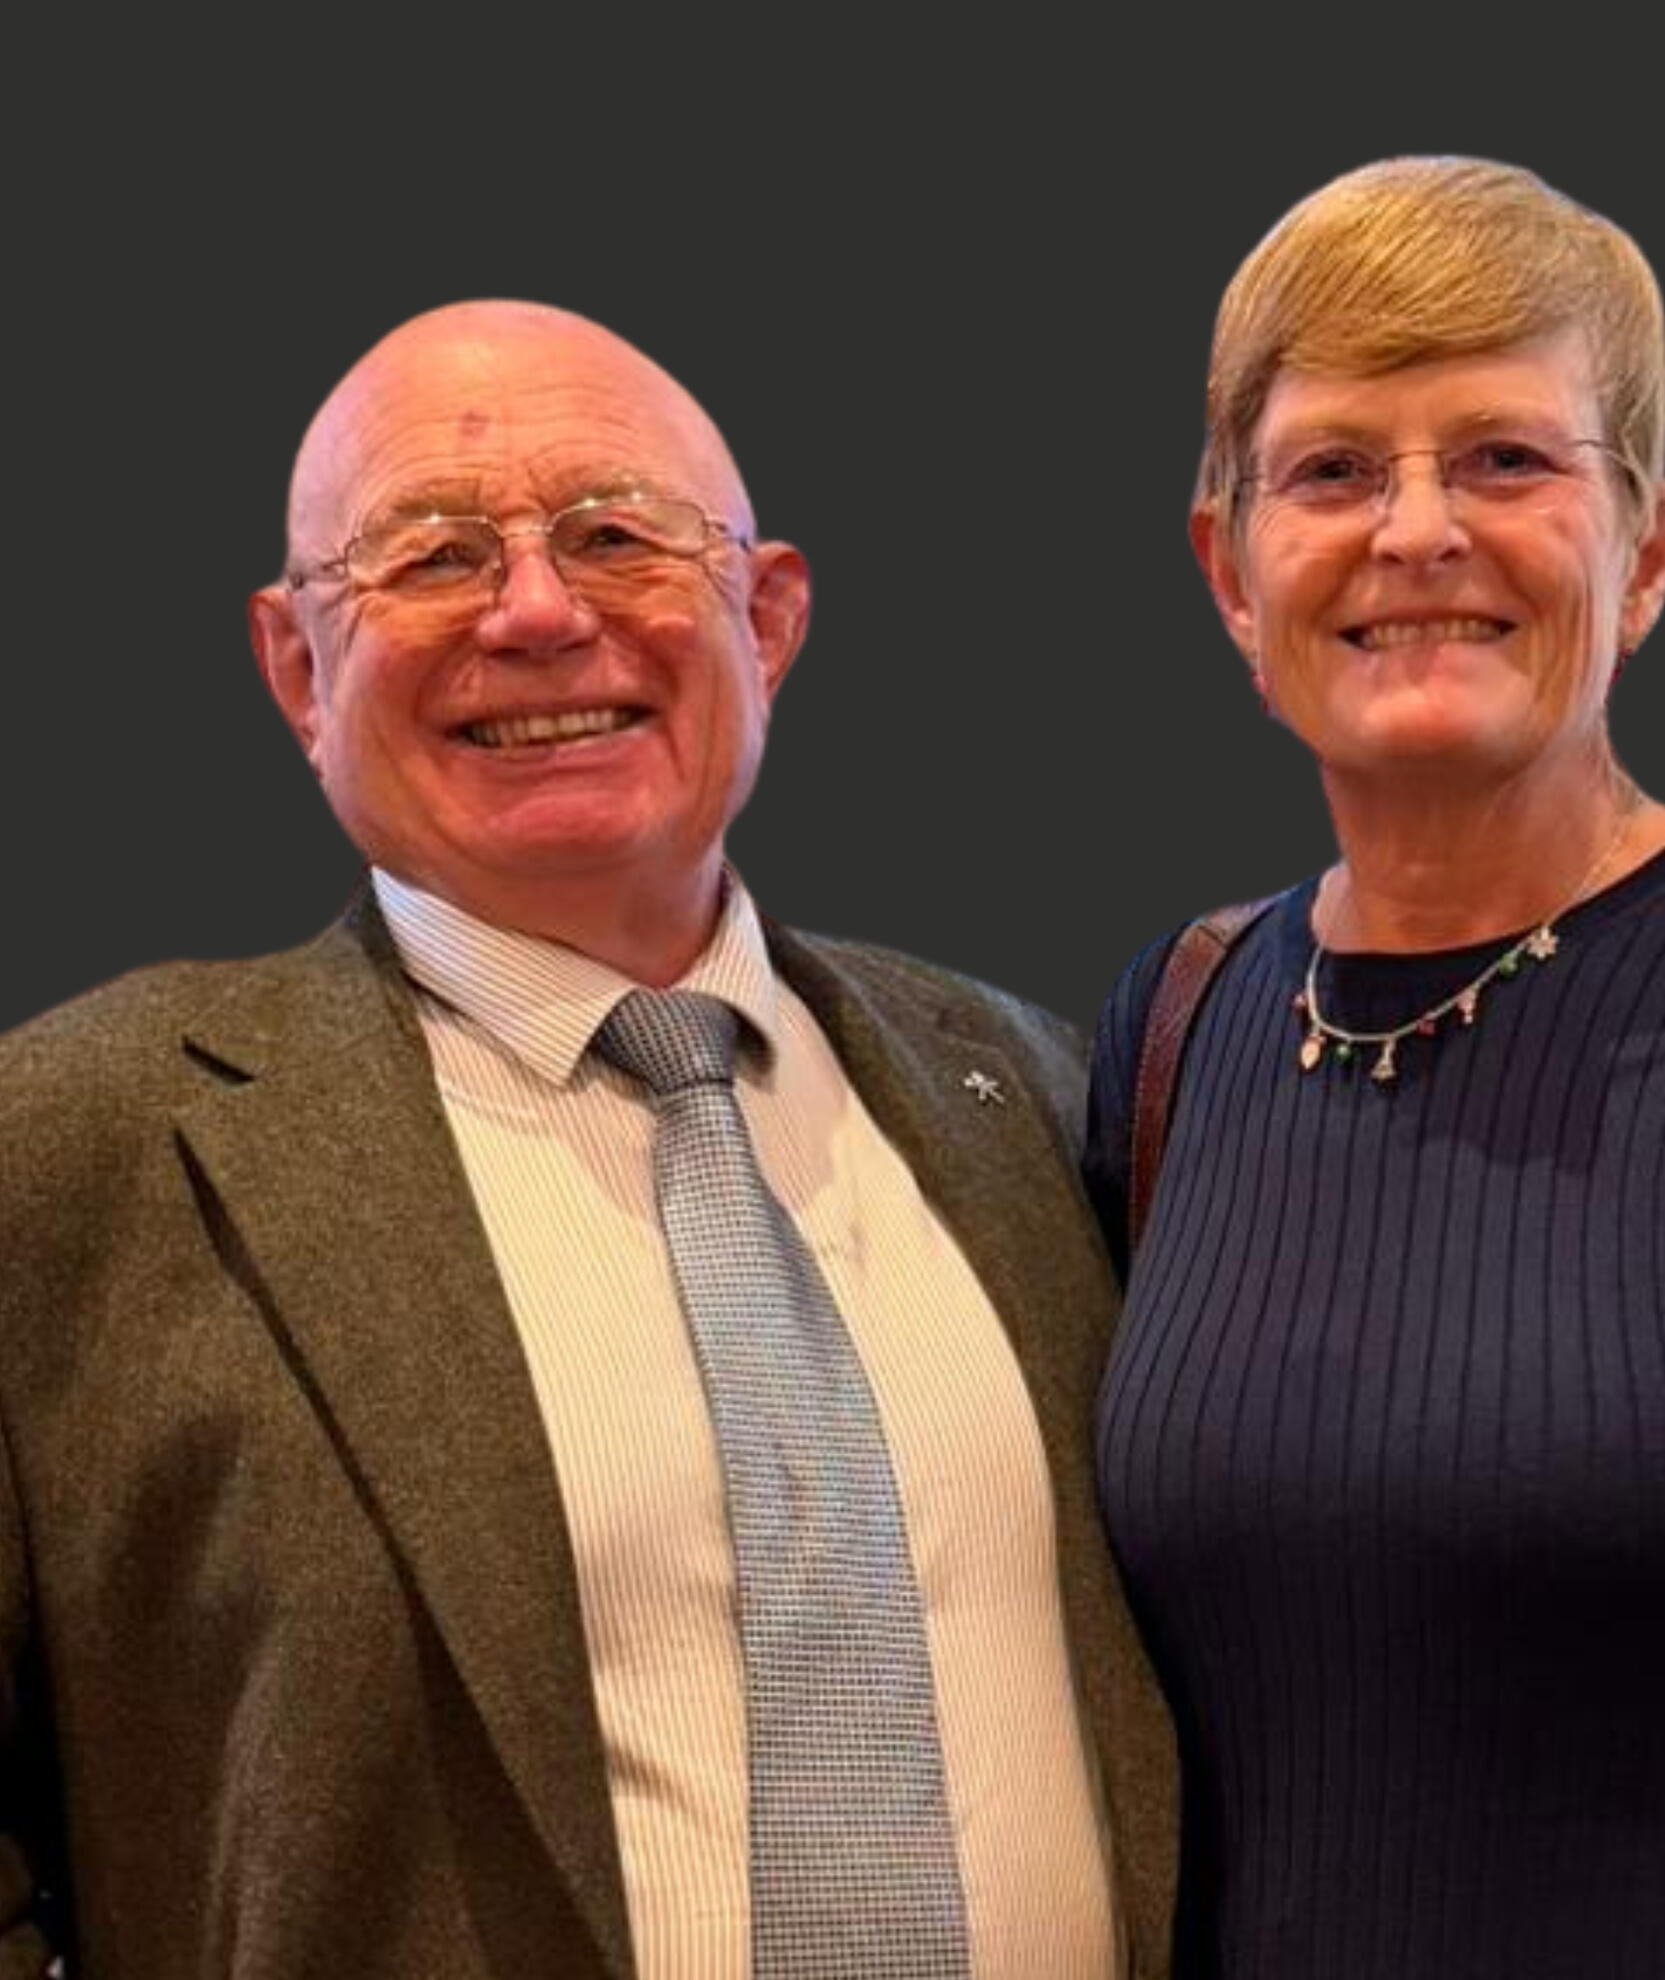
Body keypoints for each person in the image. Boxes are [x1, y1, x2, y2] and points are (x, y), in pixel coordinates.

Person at [0, 300, 1177, 1979]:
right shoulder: (68, 1155)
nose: (540, 613)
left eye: (618, 536)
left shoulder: (1049, 1099)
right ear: (297, 667)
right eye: (433, 556)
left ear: (767, 619)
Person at [1084, 156, 1665, 1978]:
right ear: (1232, 572)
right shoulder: (1179, 1022)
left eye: (1505, 459)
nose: (1417, 532)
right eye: (1333, 471)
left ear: (1647, 553)